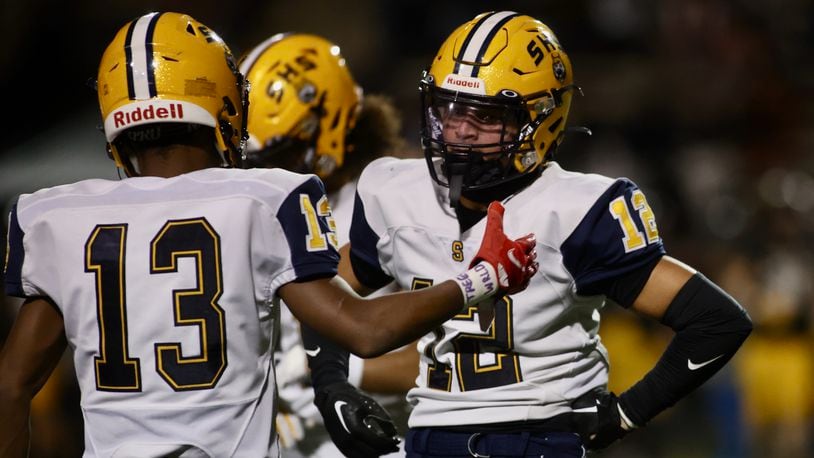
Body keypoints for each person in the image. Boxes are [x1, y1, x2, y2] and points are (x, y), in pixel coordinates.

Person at [0, 11, 538, 458]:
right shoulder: (261, 200)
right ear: (227, 103)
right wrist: (483, 277)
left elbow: (11, 385)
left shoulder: (60, 217)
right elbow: (360, 327)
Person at [338, 10, 754, 457]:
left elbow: (717, 321)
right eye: (449, 107)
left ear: (541, 119)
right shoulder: (394, 190)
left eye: (485, 116)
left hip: (535, 437)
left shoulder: (576, 209)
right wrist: (330, 384)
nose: (459, 129)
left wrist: (627, 413)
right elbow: (323, 299)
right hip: (426, 436)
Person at [238, 33, 416, 457]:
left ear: (327, 123)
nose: (261, 171)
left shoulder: (398, 198)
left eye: (277, 153)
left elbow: (465, 360)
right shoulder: (257, 209)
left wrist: (340, 368)